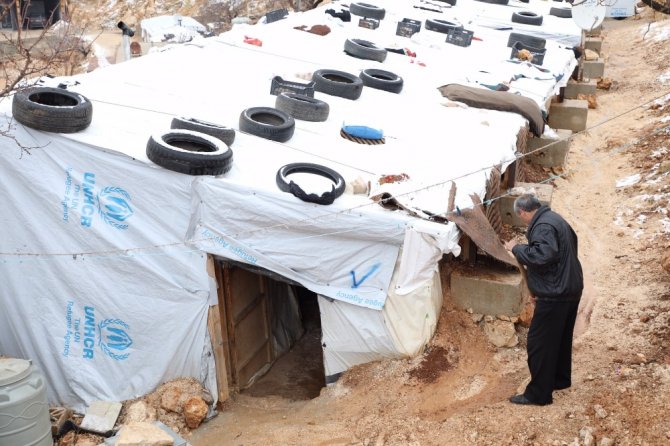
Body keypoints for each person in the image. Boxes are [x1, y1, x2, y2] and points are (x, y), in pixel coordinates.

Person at [504, 193, 583, 406]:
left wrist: (516, 248)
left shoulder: (543, 226)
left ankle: (538, 394)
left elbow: (542, 256)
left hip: (556, 294)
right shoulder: (556, 219)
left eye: (520, 216)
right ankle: (559, 379)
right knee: (560, 338)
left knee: (539, 344)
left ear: (522, 212)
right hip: (570, 288)